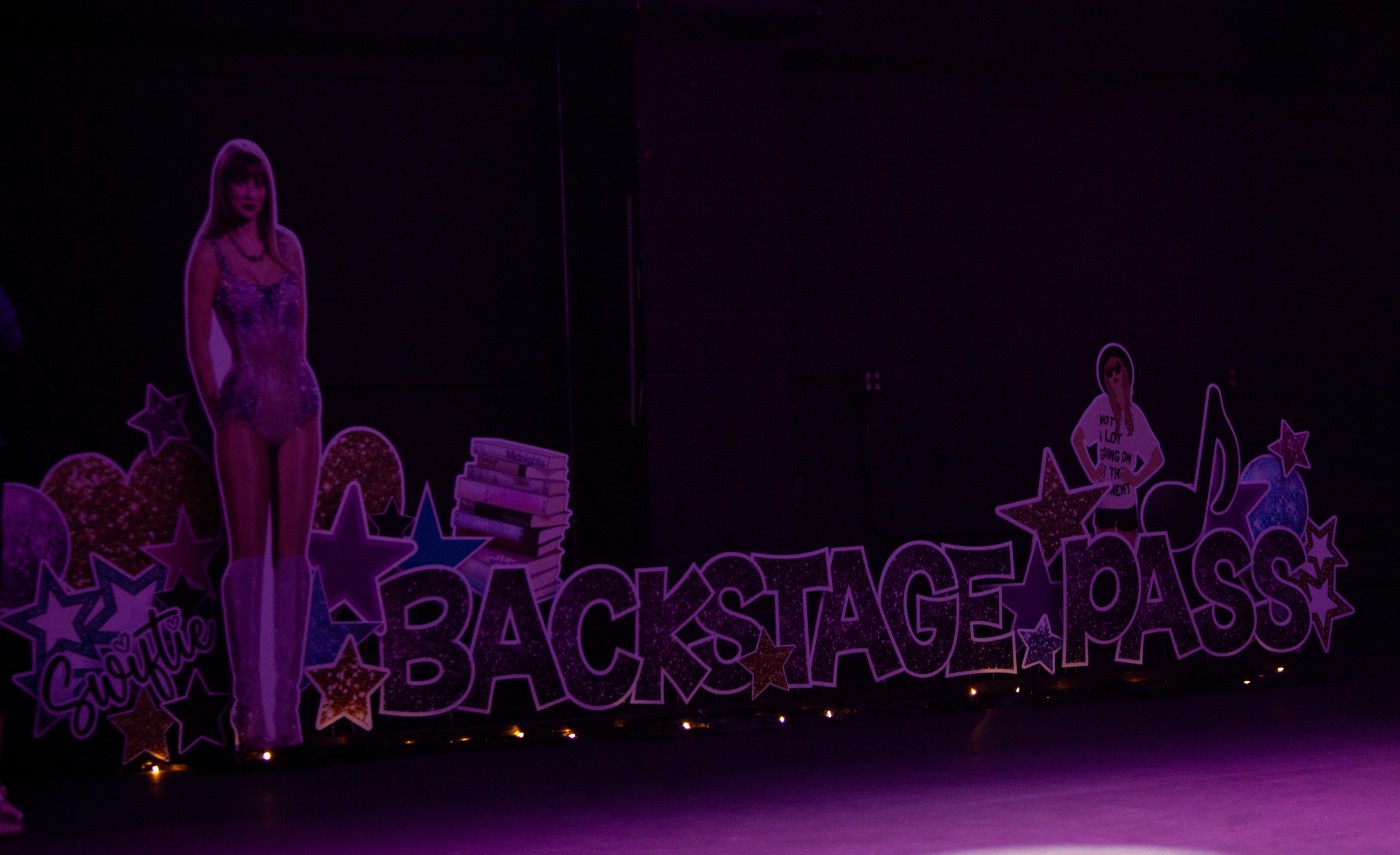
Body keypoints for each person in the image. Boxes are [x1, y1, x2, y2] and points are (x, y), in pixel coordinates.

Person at [185, 140, 320, 751]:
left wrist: (291, 388)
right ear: (225, 188)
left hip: (299, 404)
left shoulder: (288, 247)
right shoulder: (209, 255)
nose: (250, 193)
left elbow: (300, 333)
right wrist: (220, 406)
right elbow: (197, 345)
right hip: (242, 407)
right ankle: (249, 715)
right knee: (247, 556)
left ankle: (287, 714)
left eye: (258, 182)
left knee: (293, 557)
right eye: (240, 182)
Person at [1070, 343, 1163, 547]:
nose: (1114, 374)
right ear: (1105, 379)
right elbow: (1077, 439)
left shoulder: (1135, 415)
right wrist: (1092, 472)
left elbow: (1157, 457)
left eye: (1117, 368)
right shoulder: (1100, 406)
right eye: (1109, 371)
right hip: (1104, 500)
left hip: (1127, 502)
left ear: (1126, 371)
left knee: (1127, 556)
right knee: (1104, 555)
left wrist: (1137, 478)